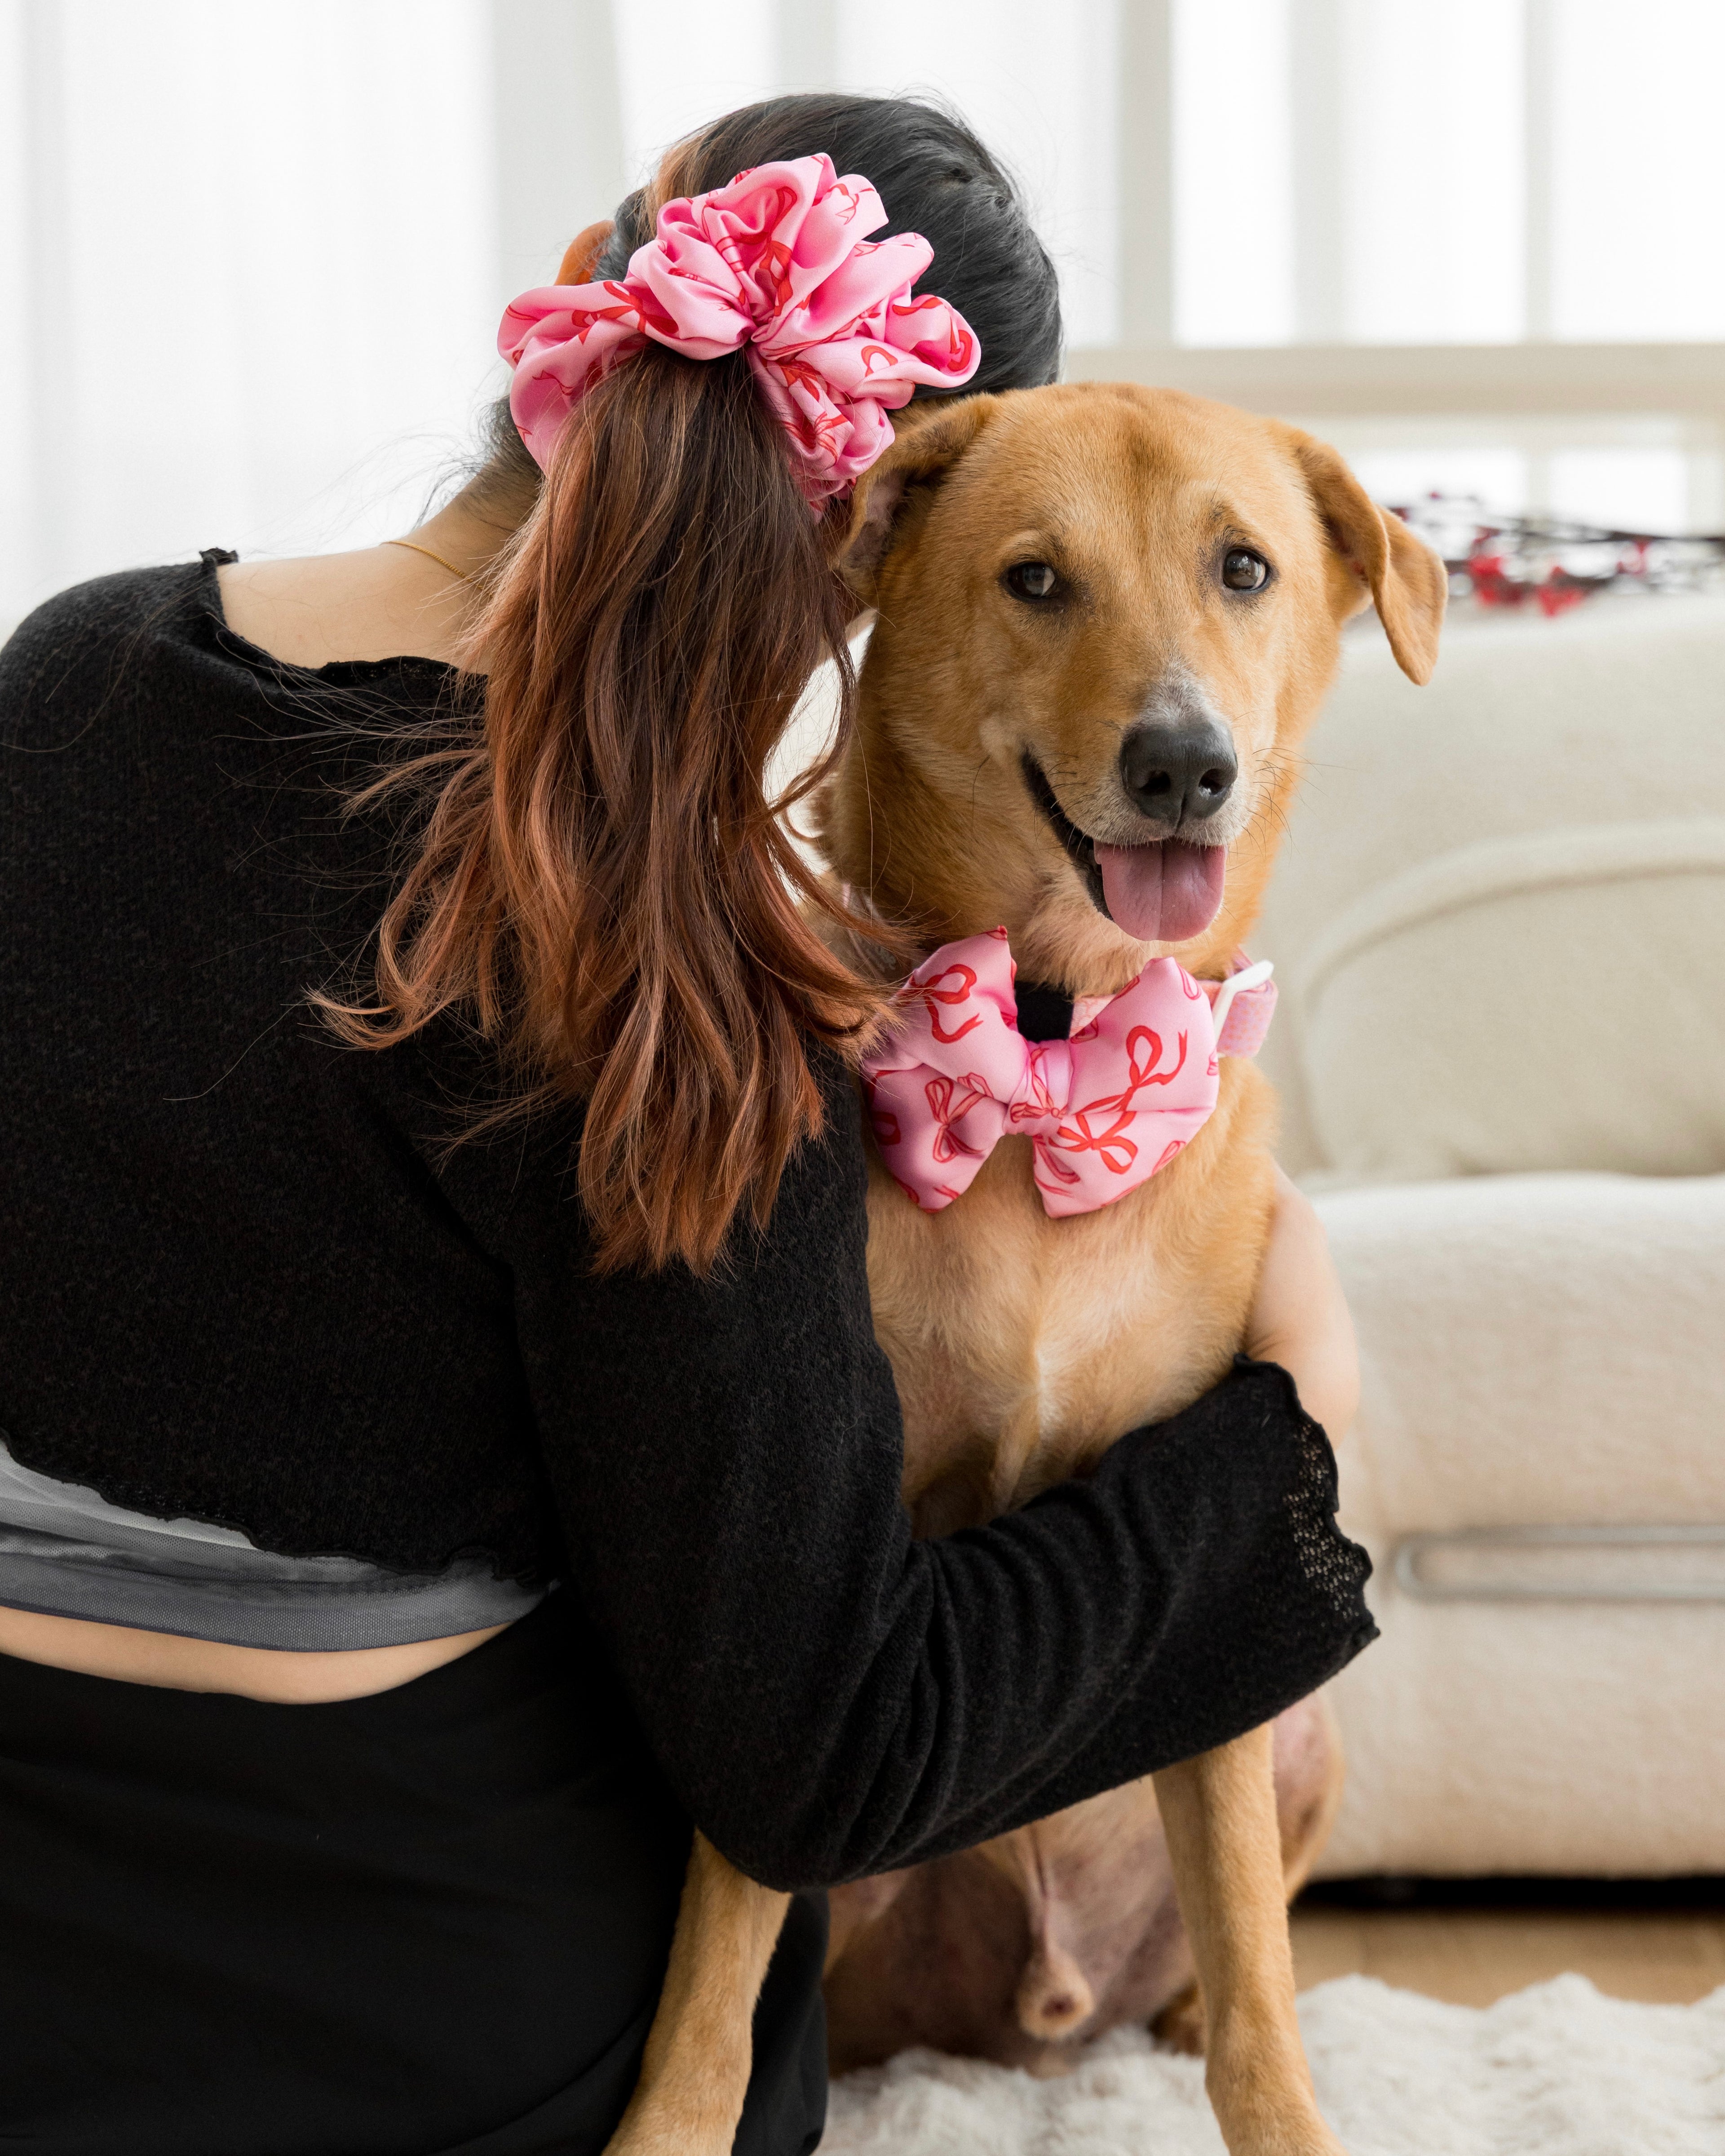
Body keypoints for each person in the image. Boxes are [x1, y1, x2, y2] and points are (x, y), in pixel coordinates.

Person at [0, 91, 1369, 2156]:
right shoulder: (687, 985)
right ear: (881, 532)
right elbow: (828, 1751)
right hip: (430, 2011)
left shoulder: (67, 667)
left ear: (578, 290)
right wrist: (1288, 1434)